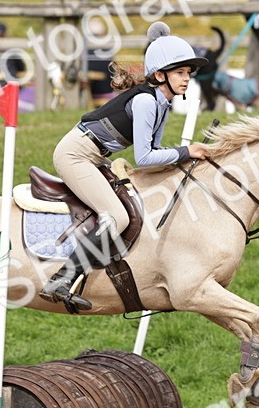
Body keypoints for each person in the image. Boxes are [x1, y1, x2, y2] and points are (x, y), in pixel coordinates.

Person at [38, 22, 211, 311]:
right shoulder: (146, 102)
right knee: (117, 217)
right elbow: (144, 158)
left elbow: (156, 150)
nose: (186, 79)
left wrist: (184, 159)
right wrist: (185, 151)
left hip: (96, 156)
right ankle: (61, 280)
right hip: (76, 155)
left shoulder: (162, 103)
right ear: (160, 75)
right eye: (180, 72)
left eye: (188, 73)